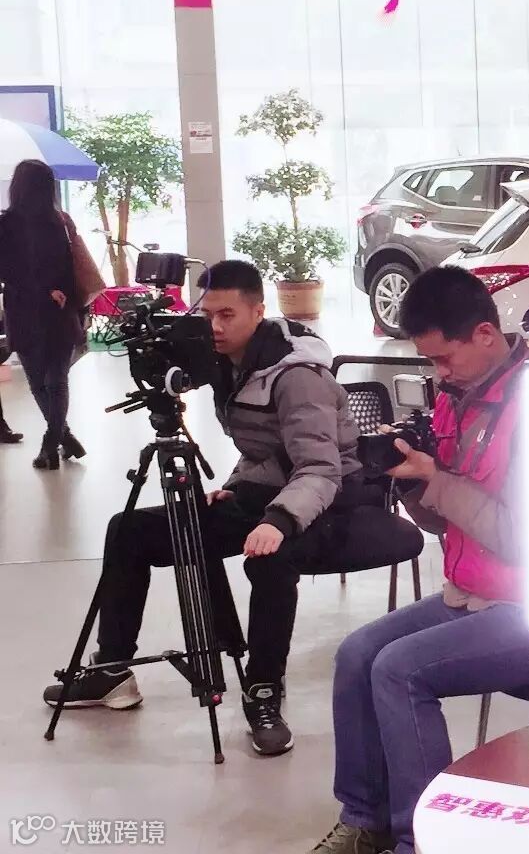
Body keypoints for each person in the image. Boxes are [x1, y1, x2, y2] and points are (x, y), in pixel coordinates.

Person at [42, 259, 422, 757]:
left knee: (269, 559)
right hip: (269, 494)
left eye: (228, 315)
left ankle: (262, 691)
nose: (216, 327)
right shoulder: (230, 363)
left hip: (333, 504)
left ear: (258, 312)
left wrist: (278, 521)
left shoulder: (297, 376)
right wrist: (235, 486)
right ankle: (112, 670)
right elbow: (263, 447)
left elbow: (319, 469)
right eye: (208, 316)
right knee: (128, 529)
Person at [309, 266, 529, 854]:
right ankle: (365, 819)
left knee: (400, 670)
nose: (439, 373)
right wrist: (413, 480)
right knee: (357, 653)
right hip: (474, 593)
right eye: (429, 362)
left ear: (485, 335)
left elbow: (525, 538)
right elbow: (443, 523)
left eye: (444, 358)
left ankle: (422, 840)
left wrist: (437, 479)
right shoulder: (458, 402)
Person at [0, 159, 87, 467]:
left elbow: (7, 271)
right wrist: (57, 292)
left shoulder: (5, 224)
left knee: (39, 382)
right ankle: (60, 437)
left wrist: (40, 289)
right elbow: (70, 267)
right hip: (59, 311)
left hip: (24, 312)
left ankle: (54, 442)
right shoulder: (60, 221)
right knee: (57, 380)